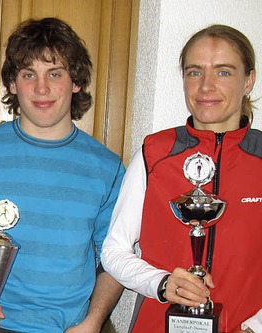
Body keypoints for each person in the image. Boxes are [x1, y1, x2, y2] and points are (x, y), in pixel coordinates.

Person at [0, 18, 126, 333]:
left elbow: (114, 256)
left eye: (55, 73)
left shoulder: (107, 169)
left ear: (76, 81)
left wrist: (93, 322)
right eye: (29, 74)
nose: (42, 88)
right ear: (13, 84)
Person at [101, 24, 262, 333]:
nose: (205, 87)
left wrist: (255, 326)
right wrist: (160, 283)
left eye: (224, 72)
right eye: (194, 72)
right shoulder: (155, 153)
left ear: (248, 81)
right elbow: (114, 250)